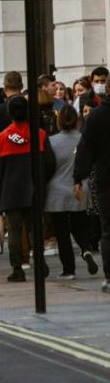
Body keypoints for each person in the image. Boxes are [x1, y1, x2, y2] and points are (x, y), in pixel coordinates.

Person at [0, 94, 56, 282]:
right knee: (35, 229)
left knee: (15, 232)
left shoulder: (0, 139)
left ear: (10, 113)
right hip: (34, 190)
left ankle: (17, 268)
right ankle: (40, 263)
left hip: (10, 193)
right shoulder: (40, 135)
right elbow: (50, 163)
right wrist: (42, 181)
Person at [46, 104, 99, 279]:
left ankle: (69, 269)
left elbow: (48, 166)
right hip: (79, 188)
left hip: (56, 191)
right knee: (80, 226)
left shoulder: (52, 141)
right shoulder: (83, 139)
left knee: (62, 233)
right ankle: (86, 250)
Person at [72, 88, 110, 293]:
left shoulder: (95, 117)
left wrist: (79, 177)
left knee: (108, 230)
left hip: (105, 180)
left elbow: (85, 148)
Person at [0, 72, 24, 147]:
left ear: (5, 88)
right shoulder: (32, 107)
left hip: (5, 153)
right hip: (28, 154)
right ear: (21, 86)